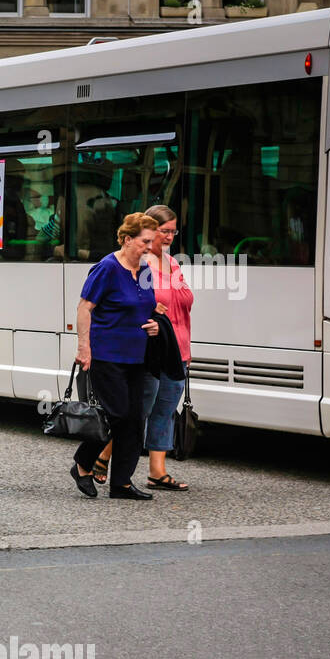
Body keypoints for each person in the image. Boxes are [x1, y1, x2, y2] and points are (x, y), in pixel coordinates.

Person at [92, 205, 194, 490]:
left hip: (175, 345)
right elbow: (149, 301)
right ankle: (104, 455)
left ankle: (157, 472)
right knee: (136, 412)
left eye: (174, 232)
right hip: (148, 347)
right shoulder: (139, 263)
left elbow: (184, 300)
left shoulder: (172, 263)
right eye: (164, 232)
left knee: (165, 408)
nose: (169, 237)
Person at [68, 212, 160, 500]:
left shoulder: (144, 270)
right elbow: (85, 308)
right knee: (116, 414)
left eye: (151, 242)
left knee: (134, 420)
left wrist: (156, 323)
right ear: (127, 238)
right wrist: (84, 347)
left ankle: (121, 483)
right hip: (106, 355)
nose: (149, 247)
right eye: (145, 241)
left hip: (138, 356)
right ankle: (83, 463)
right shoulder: (106, 268)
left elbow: (147, 308)